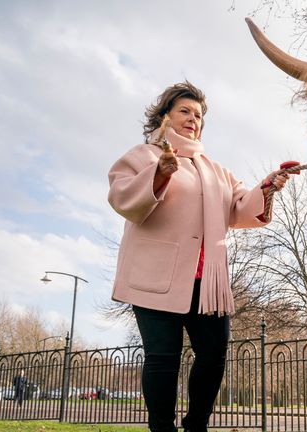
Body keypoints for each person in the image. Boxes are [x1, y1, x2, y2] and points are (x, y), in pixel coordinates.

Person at [108, 81, 290, 432]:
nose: (194, 119)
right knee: (163, 359)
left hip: (207, 282)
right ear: (165, 116)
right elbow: (121, 197)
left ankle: (196, 426)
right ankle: (162, 428)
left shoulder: (216, 170)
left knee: (214, 356)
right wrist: (159, 172)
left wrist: (267, 186)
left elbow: (240, 207)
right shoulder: (142, 155)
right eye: (185, 111)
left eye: (199, 115)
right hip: (155, 277)